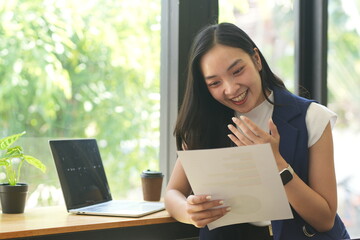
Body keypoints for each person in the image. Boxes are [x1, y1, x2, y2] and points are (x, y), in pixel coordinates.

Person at [164, 22, 350, 240]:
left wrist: (277, 164)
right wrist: (189, 211)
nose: (231, 88)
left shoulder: (312, 117)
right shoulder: (204, 124)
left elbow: (325, 219)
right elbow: (172, 193)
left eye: (237, 71)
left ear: (257, 59)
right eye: (215, 83)